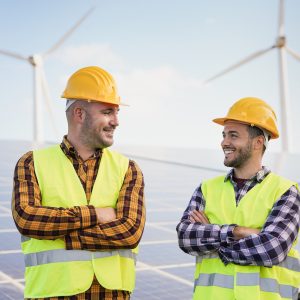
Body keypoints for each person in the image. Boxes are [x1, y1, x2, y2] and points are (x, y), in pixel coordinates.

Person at [12, 66, 146, 299]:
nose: (116, 122)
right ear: (79, 114)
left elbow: (129, 231)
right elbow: (28, 219)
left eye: (117, 113)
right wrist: (97, 215)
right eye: (107, 112)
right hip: (51, 294)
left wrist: (63, 237)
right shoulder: (32, 163)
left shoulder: (128, 169)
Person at [176, 97, 300, 300]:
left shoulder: (285, 191)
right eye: (224, 135)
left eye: (233, 136)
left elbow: (271, 249)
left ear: (258, 142)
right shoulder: (206, 188)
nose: (225, 142)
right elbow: (185, 237)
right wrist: (238, 232)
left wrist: (212, 237)